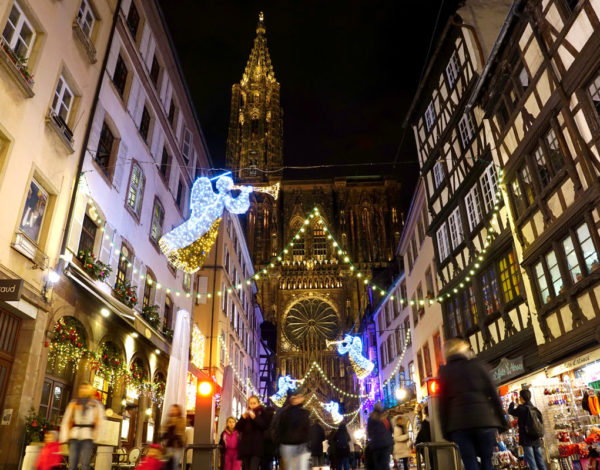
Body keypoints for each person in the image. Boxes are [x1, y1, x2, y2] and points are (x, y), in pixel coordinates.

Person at [438, 338, 507, 470]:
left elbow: (442, 405)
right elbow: (493, 395)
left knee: (470, 462)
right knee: (487, 461)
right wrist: (502, 423)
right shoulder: (478, 366)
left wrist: (445, 430)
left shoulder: (445, 372)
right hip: (484, 422)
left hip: (459, 425)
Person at [59, 382, 105, 470]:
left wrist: (97, 435)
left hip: (88, 436)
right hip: (74, 435)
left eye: (86, 388)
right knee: (72, 465)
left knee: (85, 464)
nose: (83, 390)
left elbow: (100, 420)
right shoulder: (74, 403)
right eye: (82, 388)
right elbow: (67, 419)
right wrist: (65, 436)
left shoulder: (95, 404)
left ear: (90, 390)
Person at [508, 389, 547, 470]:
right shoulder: (534, 408)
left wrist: (512, 401)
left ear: (522, 398)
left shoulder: (522, 409)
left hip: (527, 440)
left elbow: (510, 411)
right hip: (536, 438)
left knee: (532, 464)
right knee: (540, 462)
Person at [278, 390, 311, 470]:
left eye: (299, 397)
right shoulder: (284, 413)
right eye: (294, 397)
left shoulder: (305, 413)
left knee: (301, 467)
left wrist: (308, 443)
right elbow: (279, 428)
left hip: (301, 445)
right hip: (287, 444)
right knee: (290, 467)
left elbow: (307, 429)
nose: (296, 399)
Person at [236, 396, 270, 470]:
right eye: (250, 403)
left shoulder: (263, 413)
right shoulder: (246, 414)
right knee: (246, 467)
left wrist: (255, 418)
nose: (252, 405)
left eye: (254, 403)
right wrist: (243, 418)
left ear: (258, 403)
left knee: (253, 467)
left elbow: (264, 426)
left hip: (256, 447)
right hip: (246, 447)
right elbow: (237, 428)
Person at [366, 403, 393, 470]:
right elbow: (392, 429)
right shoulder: (386, 417)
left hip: (375, 445)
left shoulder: (371, 418)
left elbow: (369, 432)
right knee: (385, 463)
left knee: (377, 465)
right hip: (386, 444)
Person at [161, 404, 186, 470]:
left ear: (178, 411)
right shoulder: (167, 420)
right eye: (172, 409)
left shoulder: (182, 420)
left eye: (175, 409)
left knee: (175, 464)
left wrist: (172, 427)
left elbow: (180, 430)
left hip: (178, 445)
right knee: (168, 464)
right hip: (169, 445)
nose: (173, 411)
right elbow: (163, 430)